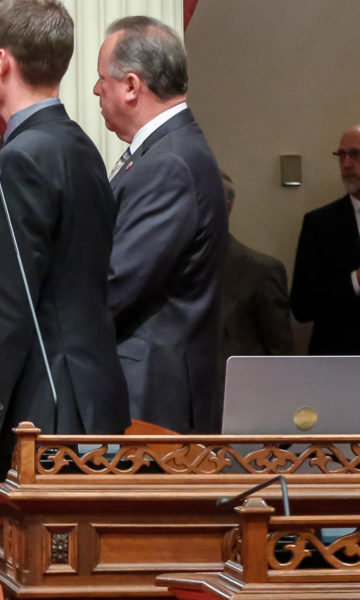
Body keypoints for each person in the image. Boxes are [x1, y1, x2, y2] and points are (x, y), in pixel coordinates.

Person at [0, 0, 128, 496]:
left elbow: (8, 309)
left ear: (3, 61)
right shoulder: (79, 146)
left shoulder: (20, 159)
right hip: (88, 404)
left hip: (40, 417)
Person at [93, 16, 228, 434]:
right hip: (148, 397)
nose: (96, 89)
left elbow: (116, 283)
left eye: (102, 79)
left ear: (132, 86)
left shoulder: (168, 162)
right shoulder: (163, 152)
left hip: (151, 406)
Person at [290, 124, 360, 355]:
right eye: (341, 155)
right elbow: (301, 306)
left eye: (355, 154)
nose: (346, 164)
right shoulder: (319, 224)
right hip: (337, 359)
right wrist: (355, 281)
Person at [217, 172, 294, 377]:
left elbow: (282, 359)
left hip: (240, 392)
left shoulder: (261, 272)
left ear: (226, 208)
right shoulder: (165, 268)